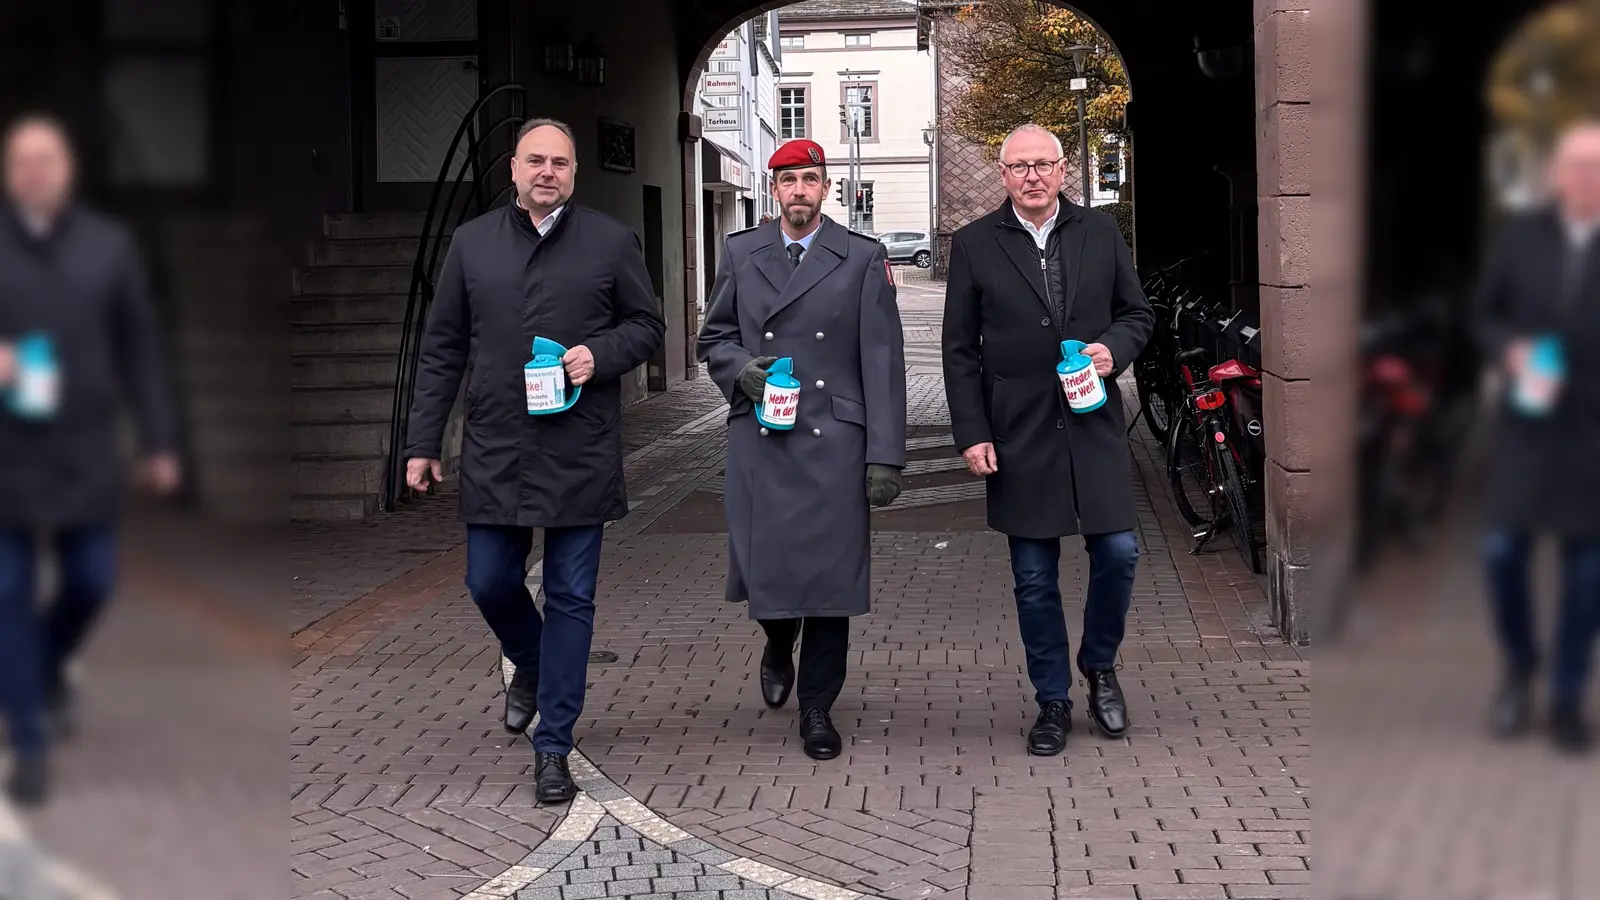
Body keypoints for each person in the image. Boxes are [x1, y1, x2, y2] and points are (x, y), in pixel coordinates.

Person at [404, 118, 665, 801]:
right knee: (488, 581)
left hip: (580, 447)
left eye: (561, 162)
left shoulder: (610, 242)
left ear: (574, 173)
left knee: (572, 597)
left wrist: (598, 355)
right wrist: (422, 442)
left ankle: (554, 744)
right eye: (535, 161)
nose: (547, 171)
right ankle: (529, 657)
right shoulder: (471, 244)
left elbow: (647, 326)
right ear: (513, 171)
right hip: (498, 446)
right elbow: (442, 350)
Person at [941, 123, 1153, 757]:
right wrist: (971, 432)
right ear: (1002, 175)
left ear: (1064, 170)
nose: (1032, 175)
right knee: (1034, 576)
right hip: (1018, 429)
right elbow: (958, 351)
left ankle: (1100, 665)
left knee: (1118, 550)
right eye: (1019, 166)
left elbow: (1136, 314)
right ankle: (1053, 700)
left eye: (1044, 164)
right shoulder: (976, 244)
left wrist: (1114, 352)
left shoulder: (1099, 232)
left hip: (1093, 424)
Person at [696, 138, 907, 760]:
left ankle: (818, 706)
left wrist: (885, 455)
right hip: (763, 437)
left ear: (825, 188)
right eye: (788, 182)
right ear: (774, 190)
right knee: (767, 569)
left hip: (835, 441)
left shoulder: (863, 257)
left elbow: (883, 359)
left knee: (831, 582)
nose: (799, 192)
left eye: (810, 180)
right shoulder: (741, 251)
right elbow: (716, 337)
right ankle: (776, 637)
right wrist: (741, 371)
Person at [0, 113, 181, 805]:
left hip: (83, 450)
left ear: (67, 170)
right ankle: (28, 739)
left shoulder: (108, 247)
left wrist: (161, 441)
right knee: (7, 595)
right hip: (7, 454)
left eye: (48, 160)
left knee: (92, 583)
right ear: (10, 172)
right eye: (23, 161)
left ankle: (44, 668)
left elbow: (140, 348)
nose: (37, 172)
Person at [1473, 119, 1600, 754]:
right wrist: (1510, 352)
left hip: (1593, 436)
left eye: (1596, 167)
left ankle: (1569, 693)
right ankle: (1520, 665)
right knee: (1500, 553)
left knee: (1588, 573)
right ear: (1557, 174)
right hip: (1528, 422)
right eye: (1576, 165)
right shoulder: (1523, 238)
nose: (1585, 178)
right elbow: (1484, 316)